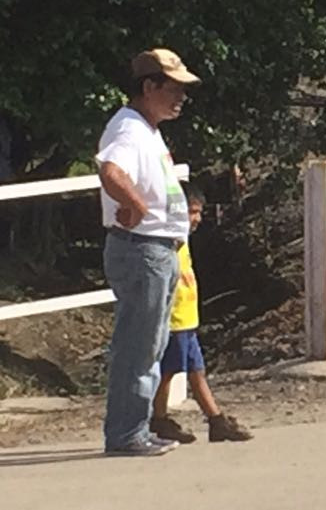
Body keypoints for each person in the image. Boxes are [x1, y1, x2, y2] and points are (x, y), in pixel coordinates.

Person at [96, 48, 201, 456]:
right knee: (139, 345)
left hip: (154, 250)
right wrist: (136, 205)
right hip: (143, 250)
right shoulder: (129, 130)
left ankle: (133, 428)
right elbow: (111, 171)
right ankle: (126, 434)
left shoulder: (144, 128)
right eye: (173, 89)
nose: (181, 98)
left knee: (148, 344)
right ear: (148, 87)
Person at [149, 185, 253, 444]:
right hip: (175, 319)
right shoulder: (171, 243)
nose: (196, 218)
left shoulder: (182, 241)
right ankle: (158, 418)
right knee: (168, 372)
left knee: (197, 371)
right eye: (192, 212)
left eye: (198, 213)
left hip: (188, 317)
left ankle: (216, 420)